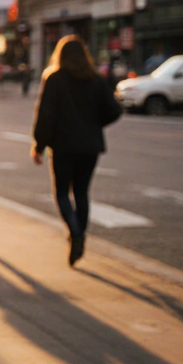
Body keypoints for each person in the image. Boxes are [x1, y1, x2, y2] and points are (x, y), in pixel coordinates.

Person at [30, 35, 122, 267]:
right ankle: (80, 232)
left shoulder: (55, 79)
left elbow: (46, 116)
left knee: (62, 192)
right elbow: (114, 110)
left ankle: (75, 232)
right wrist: (94, 123)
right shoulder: (95, 80)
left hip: (62, 146)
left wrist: (38, 145)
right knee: (81, 193)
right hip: (90, 146)